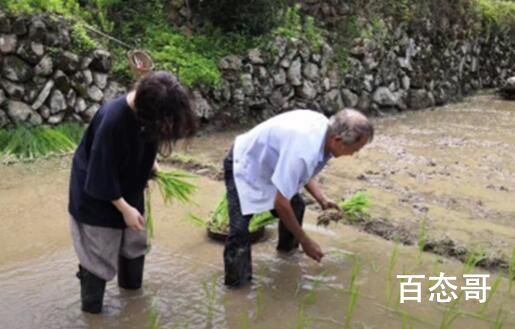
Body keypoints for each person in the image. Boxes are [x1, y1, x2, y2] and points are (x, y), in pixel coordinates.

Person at [68, 71, 197, 313]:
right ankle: (92, 312)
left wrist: (151, 162)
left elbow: (149, 138)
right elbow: (101, 173)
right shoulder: (113, 120)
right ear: (147, 111)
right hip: (96, 193)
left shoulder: (151, 109)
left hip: (129, 185)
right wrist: (125, 208)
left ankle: (132, 302)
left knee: (134, 242)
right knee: (99, 255)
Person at [223, 108, 374, 288]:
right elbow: (281, 203)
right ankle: (237, 290)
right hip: (246, 163)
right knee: (240, 231)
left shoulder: (325, 134)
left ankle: (286, 254)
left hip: (272, 164)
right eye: (355, 149)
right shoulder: (304, 150)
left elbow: (301, 172)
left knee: (297, 206)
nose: (354, 153)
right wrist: (306, 240)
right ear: (338, 141)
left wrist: (322, 199)